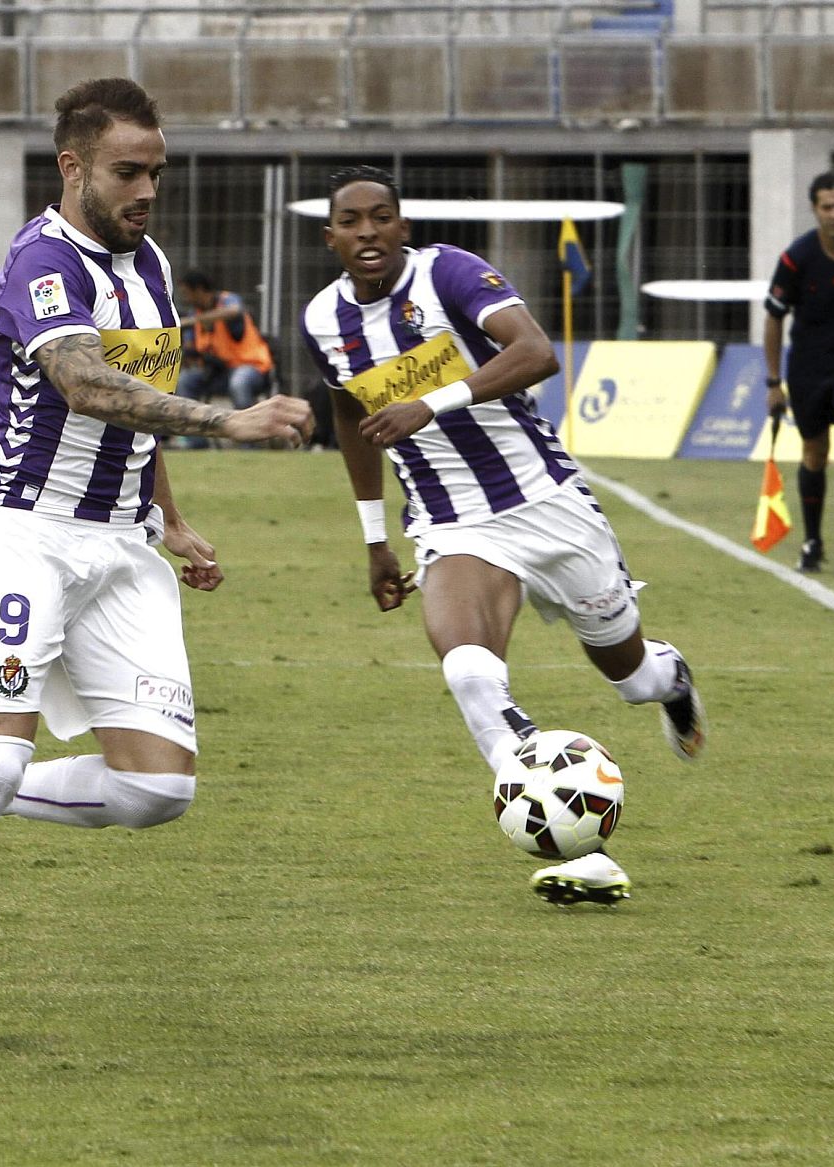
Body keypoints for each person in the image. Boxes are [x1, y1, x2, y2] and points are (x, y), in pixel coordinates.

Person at [0, 77, 312, 1049]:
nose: (146, 188)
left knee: (157, 790)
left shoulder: (147, 264)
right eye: (126, 171)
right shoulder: (41, 260)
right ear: (73, 167)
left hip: (120, 542)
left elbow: (131, 405)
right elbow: (81, 380)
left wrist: (171, 519)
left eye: (155, 171)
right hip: (21, 531)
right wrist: (225, 421)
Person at [303, 164, 707, 908]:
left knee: (630, 677)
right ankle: (573, 846)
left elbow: (536, 352)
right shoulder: (323, 321)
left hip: (547, 504)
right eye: (352, 221)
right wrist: (373, 539)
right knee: (467, 669)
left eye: (381, 217)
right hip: (452, 521)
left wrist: (431, 403)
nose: (368, 232)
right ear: (330, 237)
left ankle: (671, 676)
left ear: (403, 226)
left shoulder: (449, 274)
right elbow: (349, 419)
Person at [763, 170, 834, 576]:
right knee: (815, 453)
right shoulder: (797, 257)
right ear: (815, 210)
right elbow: (773, 318)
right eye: (827, 207)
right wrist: (774, 381)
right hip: (808, 366)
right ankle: (812, 543)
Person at [175, 269, 275, 414]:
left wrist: (195, 321)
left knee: (238, 383)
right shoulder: (194, 313)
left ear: (199, 290)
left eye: (186, 293)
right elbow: (191, 347)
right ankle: (193, 436)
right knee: (186, 380)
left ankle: (247, 431)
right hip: (219, 372)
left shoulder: (227, 300)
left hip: (251, 367)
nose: (185, 298)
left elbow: (234, 311)